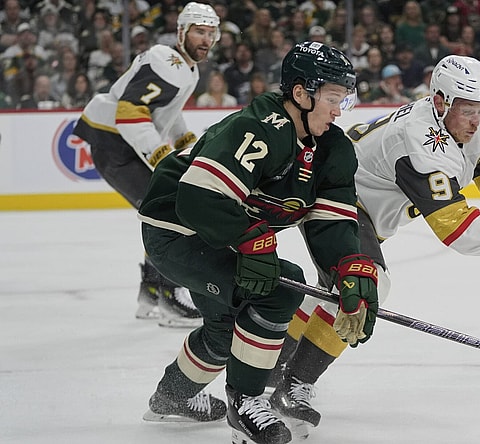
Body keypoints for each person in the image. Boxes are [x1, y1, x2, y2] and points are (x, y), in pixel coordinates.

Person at [265, 54, 480, 436]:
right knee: (365, 284)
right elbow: (456, 228)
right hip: (337, 199)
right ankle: (292, 386)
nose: (477, 120)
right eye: (468, 110)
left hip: (359, 204)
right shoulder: (420, 142)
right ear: (442, 101)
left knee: (333, 293)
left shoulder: (470, 121)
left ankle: (274, 363)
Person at [137, 41, 378, 444]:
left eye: (344, 100)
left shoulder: (332, 149)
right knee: (279, 289)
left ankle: (171, 398)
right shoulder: (259, 127)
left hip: (224, 237)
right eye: (333, 99)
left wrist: (349, 268)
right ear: (301, 94)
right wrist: (252, 240)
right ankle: (245, 404)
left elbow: (331, 224)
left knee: (223, 328)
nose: (339, 110)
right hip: (176, 230)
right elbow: (200, 198)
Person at [71, 2, 220, 328]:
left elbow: (165, 110)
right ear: (181, 32)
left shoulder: (184, 65)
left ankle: (151, 293)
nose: (205, 39)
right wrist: (162, 157)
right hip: (116, 145)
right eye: (199, 31)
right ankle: (168, 297)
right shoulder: (165, 63)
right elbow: (128, 112)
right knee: (169, 213)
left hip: (118, 144)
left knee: (162, 211)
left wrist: (184, 142)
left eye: (210, 33)